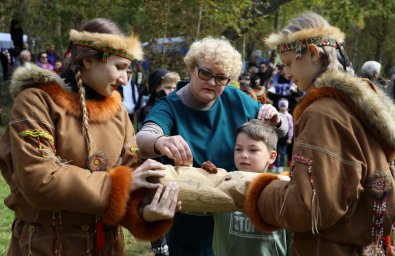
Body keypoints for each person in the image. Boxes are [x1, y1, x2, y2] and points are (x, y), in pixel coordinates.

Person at [0, 18, 180, 255]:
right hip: (45, 246)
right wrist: (118, 183)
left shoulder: (118, 113)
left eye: (128, 69)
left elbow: (131, 185)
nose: (125, 79)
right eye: (119, 67)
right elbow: (38, 180)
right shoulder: (36, 101)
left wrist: (148, 213)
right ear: (87, 60)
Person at [243, 12, 395, 255]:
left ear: (312, 53)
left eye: (289, 63)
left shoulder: (323, 114)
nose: (285, 72)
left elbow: (311, 208)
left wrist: (258, 192)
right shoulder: (355, 106)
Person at [136, 36, 289, 256]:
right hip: (188, 225)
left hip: (233, 224)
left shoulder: (235, 98)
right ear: (191, 68)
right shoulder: (169, 106)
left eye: (221, 78)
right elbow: (143, 138)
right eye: (205, 73)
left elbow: (280, 129)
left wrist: (277, 119)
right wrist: (160, 141)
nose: (212, 82)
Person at [212, 119, 288, 256]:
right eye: (238, 149)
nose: (244, 155)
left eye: (253, 150)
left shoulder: (282, 191)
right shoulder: (221, 184)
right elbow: (193, 205)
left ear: (271, 157)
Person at [273, 98, 293, 173]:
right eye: (281, 106)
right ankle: (275, 165)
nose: (282, 107)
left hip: (284, 137)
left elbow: (291, 127)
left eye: (284, 106)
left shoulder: (289, 116)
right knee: (275, 151)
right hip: (276, 136)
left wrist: (290, 138)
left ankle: (281, 165)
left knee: (282, 152)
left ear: (287, 107)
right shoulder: (276, 114)